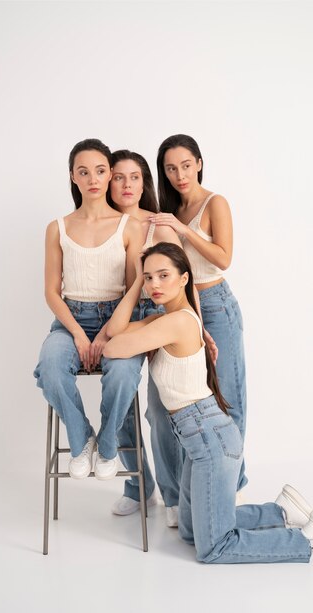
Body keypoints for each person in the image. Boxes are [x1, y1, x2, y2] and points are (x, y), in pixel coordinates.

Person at [103, 242, 313, 563]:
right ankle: (281, 511)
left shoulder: (175, 323)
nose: (154, 284)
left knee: (214, 547)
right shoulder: (166, 318)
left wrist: (139, 285)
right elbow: (114, 331)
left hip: (210, 440)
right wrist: (136, 282)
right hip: (199, 440)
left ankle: (309, 538)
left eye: (163, 275)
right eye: (149, 278)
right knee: (190, 532)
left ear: (184, 279)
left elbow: (110, 347)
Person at [33, 138, 145, 481]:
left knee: (124, 375)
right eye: (84, 172)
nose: (93, 179)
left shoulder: (130, 227)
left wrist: (109, 332)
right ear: (73, 177)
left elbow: (135, 287)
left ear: (109, 173)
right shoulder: (58, 228)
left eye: (100, 171)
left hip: (118, 318)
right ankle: (82, 440)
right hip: (70, 321)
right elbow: (52, 292)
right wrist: (80, 336)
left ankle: (108, 445)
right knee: (50, 369)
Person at [150, 134, 248, 499]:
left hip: (216, 305)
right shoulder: (168, 212)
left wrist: (182, 230)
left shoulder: (214, 203)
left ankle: (228, 487)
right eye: (171, 168)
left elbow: (223, 257)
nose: (180, 174)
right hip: (180, 310)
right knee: (169, 405)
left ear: (199, 164)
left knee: (226, 399)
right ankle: (176, 497)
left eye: (186, 165)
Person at [107, 149, 184, 521]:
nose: (127, 185)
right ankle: (139, 488)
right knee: (120, 401)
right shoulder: (100, 223)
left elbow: (184, 281)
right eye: (118, 177)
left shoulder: (159, 224)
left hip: (156, 317)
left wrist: (195, 327)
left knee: (158, 409)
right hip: (116, 318)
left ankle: (173, 497)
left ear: (145, 182)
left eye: (134, 177)